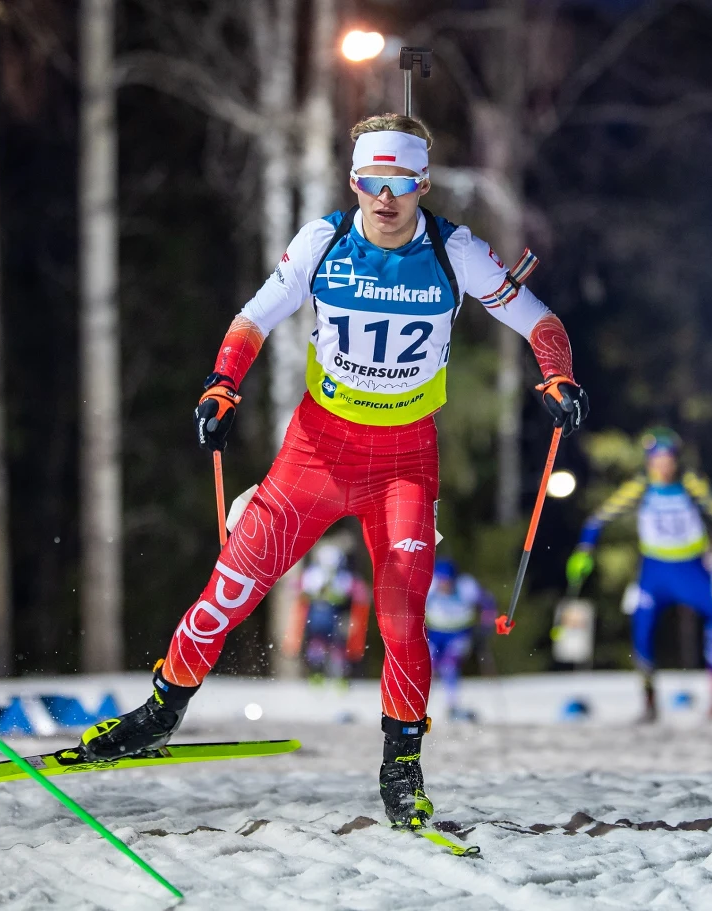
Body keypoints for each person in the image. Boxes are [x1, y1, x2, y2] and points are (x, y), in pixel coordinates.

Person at [79, 113, 587, 831]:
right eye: (372, 182)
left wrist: (557, 376)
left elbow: (540, 320)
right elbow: (253, 318)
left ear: (422, 183)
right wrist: (222, 385)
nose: (386, 198)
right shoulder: (324, 242)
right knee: (232, 585)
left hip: (404, 463)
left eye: (402, 183)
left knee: (402, 614)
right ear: (354, 181)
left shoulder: (455, 251)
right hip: (317, 451)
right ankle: (161, 711)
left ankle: (401, 765)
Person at [566, 427, 712, 721]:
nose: (664, 465)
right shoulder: (641, 487)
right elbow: (598, 519)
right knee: (642, 630)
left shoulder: (691, 485)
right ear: (649, 461)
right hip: (655, 572)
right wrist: (583, 551)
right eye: (658, 459)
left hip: (691, 570)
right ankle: (650, 702)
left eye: (669, 459)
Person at [424, 558, 497, 721]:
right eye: (442, 582)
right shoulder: (431, 585)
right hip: (435, 633)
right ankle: (418, 705)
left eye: (447, 582)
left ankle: (452, 705)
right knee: (427, 667)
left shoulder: (466, 586)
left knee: (449, 666)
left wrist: (486, 623)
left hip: (460, 633)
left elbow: (487, 601)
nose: (444, 586)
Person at [291, 541, 370, 685]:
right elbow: (298, 588)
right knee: (320, 645)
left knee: (333, 647)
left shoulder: (336, 576)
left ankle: (334, 676)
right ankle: (320, 675)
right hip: (322, 616)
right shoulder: (316, 575)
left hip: (332, 617)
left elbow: (358, 591)